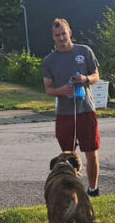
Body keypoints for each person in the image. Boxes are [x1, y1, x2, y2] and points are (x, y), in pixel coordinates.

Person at [41, 18, 102, 196]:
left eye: (63, 34)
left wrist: (86, 79)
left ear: (70, 33)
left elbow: (96, 75)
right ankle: (74, 191)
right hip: (64, 113)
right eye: (57, 35)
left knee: (91, 152)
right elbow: (48, 89)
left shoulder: (84, 51)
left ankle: (93, 189)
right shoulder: (49, 60)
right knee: (68, 156)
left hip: (86, 109)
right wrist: (61, 90)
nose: (61, 38)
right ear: (53, 37)